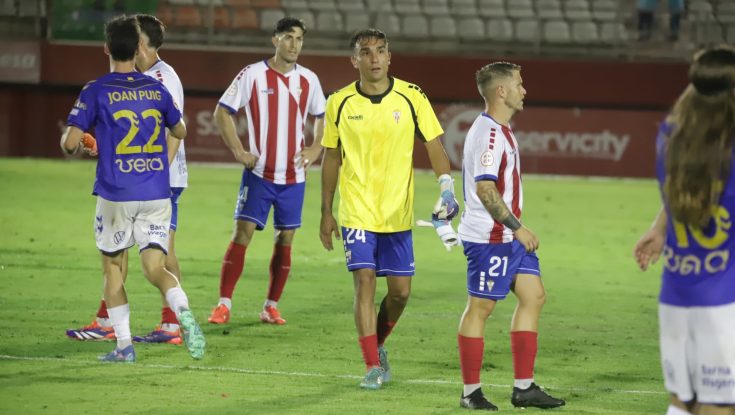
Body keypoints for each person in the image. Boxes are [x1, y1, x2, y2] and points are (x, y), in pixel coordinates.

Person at [319, 28, 459, 390]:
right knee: (364, 281)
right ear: (354, 60)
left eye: (380, 51)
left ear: (389, 56)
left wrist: (447, 187)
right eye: (366, 53)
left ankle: (377, 344)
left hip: (397, 212)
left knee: (400, 293)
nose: (375, 58)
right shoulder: (339, 102)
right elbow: (331, 157)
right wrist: (326, 211)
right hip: (356, 210)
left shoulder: (412, 96)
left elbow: (434, 144)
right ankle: (371, 365)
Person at [60, 15, 205, 362]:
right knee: (156, 268)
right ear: (136, 47)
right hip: (156, 191)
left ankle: (124, 346)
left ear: (107, 48)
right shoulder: (155, 88)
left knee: (113, 266)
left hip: (118, 191)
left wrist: (78, 139)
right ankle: (182, 311)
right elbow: (180, 130)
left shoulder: (97, 89)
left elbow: (70, 144)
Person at [455, 62, 565, 410]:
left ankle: (524, 389)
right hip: (490, 238)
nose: (524, 90)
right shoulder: (489, 135)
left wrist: (514, 230)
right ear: (501, 91)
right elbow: (486, 190)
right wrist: (518, 228)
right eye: (519, 84)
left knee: (534, 296)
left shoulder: (500, 129)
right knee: (481, 308)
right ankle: (471, 393)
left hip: (508, 236)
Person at [634, 45, 735, 415]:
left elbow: (687, 187)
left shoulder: (670, 136)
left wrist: (659, 226)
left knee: (682, 403)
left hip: (676, 296)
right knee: (719, 408)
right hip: (725, 300)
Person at [208, 16, 326, 326]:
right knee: (242, 233)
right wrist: (239, 151)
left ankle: (271, 306)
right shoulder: (253, 74)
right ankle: (223, 304)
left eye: (299, 39)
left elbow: (322, 116)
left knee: (285, 239)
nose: (294, 44)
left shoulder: (309, 79)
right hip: (259, 174)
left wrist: (316, 148)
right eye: (288, 37)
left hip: (294, 177)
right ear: (275, 40)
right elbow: (222, 112)